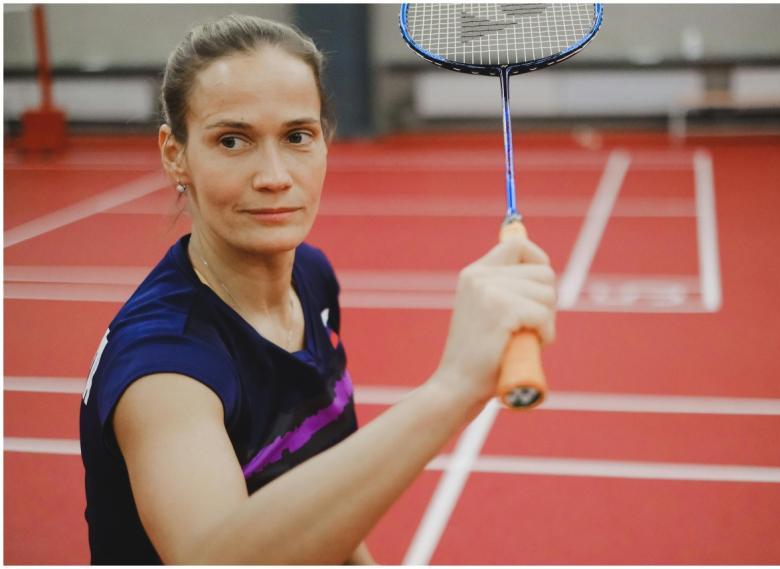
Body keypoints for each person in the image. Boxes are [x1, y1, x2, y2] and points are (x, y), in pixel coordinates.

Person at [79, 14, 556, 565]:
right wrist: (451, 389)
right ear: (174, 153)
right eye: (233, 140)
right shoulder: (164, 368)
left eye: (297, 136)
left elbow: (315, 485)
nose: (275, 175)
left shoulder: (310, 276)